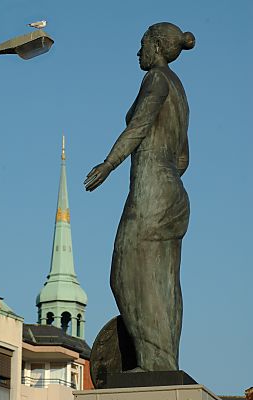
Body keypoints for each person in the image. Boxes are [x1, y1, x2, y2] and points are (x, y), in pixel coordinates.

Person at [84, 22, 195, 372]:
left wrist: (110, 163)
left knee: (126, 273)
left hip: (152, 192)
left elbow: (139, 125)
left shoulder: (157, 80)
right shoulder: (179, 90)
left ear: (158, 46)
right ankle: (165, 363)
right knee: (163, 281)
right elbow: (183, 158)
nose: (138, 51)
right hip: (171, 191)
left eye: (143, 44)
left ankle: (153, 364)